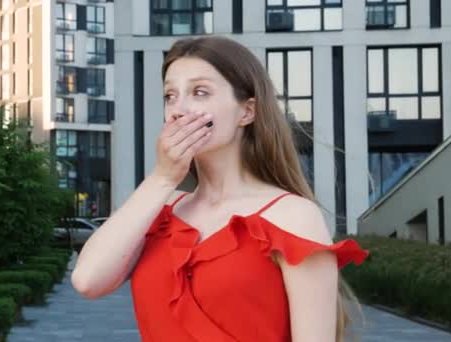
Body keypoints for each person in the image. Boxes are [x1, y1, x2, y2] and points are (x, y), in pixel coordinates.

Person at [71, 36, 369, 342]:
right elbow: (87, 281)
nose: (178, 109)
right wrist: (162, 178)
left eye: (200, 92)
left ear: (247, 112)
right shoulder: (160, 210)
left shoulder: (292, 215)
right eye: (170, 95)